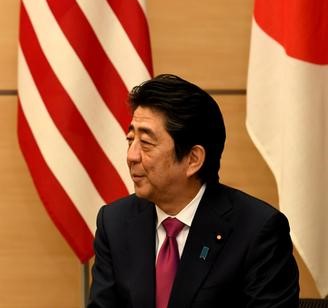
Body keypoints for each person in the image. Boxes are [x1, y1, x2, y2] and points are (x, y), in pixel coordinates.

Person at [88, 74, 299, 308]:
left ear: (193, 159)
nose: (131, 156)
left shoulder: (258, 231)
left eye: (146, 143)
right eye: (130, 140)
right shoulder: (114, 222)